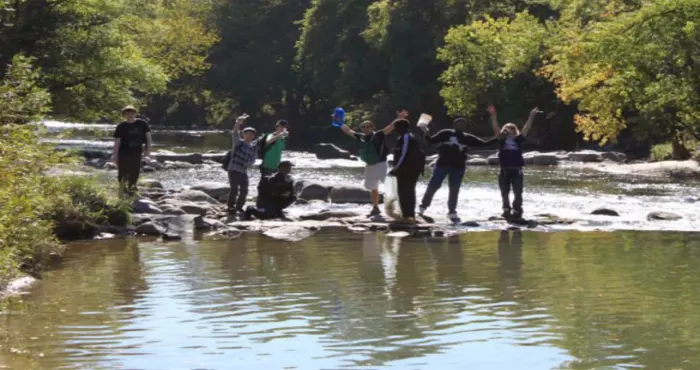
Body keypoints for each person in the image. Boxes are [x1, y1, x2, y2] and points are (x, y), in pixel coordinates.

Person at [418, 117, 497, 223]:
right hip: (442, 164)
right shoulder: (445, 133)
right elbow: (430, 142)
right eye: (459, 124)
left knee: (454, 190)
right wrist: (425, 131)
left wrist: (499, 137)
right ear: (454, 125)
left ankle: (452, 211)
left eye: (463, 124)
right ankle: (423, 207)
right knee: (433, 185)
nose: (461, 125)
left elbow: (485, 144)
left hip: (458, 167)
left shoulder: (468, 137)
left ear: (465, 127)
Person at [488, 105, 540, 219]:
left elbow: (527, 128)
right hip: (504, 169)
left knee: (518, 192)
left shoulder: (518, 139)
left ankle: (517, 209)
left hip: (517, 169)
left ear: (515, 130)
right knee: (504, 192)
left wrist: (531, 116)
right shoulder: (501, 140)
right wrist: (493, 115)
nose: (509, 129)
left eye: (511, 128)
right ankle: (506, 209)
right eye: (507, 128)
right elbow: (495, 127)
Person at [340, 119, 396, 217]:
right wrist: (338, 121)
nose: (366, 128)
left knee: (389, 186)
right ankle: (375, 207)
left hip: (381, 164)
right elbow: (348, 130)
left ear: (372, 127)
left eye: (368, 126)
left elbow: (390, 127)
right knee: (374, 188)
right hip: (369, 166)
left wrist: (400, 117)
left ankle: (394, 206)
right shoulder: (361, 137)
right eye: (363, 127)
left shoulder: (378, 135)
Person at [388, 118, 425, 224]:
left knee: (405, 192)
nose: (395, 129)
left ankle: (408, 216)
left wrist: (396, 168)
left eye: (396, 127)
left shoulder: (406, 137)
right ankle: (408, 215)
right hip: (409, 169)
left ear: (401, 127)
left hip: (408, 170)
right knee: (407, 192)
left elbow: (404, 154)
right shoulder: (407, 137)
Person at [112, 105, 152, 196]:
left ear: (135, 113)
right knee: (122, 172)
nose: (130, 114)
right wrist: (114, 155)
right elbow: (117, 141)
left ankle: (132, 188)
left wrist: (148, 152)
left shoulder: (142, 124)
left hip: (137, 152)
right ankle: (122, 189)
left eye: (132, 113)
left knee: (135, 171)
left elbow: (148, 138)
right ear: (124, 115)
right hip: (123, 152)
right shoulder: (121, 126)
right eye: (127, 113)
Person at [226, 114, 259, 214]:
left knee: (244, 190)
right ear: (243, 135)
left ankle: (239, 207)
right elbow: (235, 132)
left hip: (243, 170)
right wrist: (238, 123)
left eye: (251, 134)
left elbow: (253, 159)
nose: (249, 136)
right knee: (234, 189)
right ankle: (231, 206)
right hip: (233, 169)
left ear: (253, 136)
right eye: (247, 134)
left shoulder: (253, 146)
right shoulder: (238, 143)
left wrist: (248, 164)